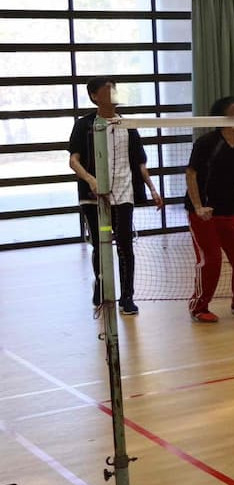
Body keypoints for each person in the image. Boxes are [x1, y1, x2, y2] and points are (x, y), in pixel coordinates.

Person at [68, 77, 164, 315]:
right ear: (94, 96)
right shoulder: (84, 125)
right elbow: (73, 160)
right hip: (93, 197)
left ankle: (127, 297)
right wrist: (91, 179)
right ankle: (101, 285)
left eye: (114, 88)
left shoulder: (127, 124)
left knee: (124, 245)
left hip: (124, 192)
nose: (112, 93)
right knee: (101, 245)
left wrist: (152, 188)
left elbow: (140, 162)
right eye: (106, 89)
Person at [185, 96, 234, 323]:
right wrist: (198, 206)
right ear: (221, 117)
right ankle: (199, 306)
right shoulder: (207, 143)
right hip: (203, 212)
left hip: (228, 211)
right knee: (211, 259)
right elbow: (191, 174)